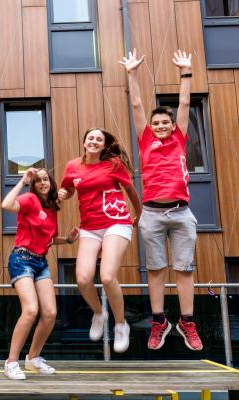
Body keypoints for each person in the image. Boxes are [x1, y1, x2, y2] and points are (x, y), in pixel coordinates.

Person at [121, 49, 202, 351]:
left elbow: (183, 103)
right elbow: (136, 104)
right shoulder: (145, 139)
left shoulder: (179, 137)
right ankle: (159, 321)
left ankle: (187, 321)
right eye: (156, 123)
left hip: (181, 213)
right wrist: (132, 73)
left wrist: (186, 72)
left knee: (184, 268)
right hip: (153, 214)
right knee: (156, 269)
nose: (160, 126)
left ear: (172, 126)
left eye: (164, 123)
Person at [58, 128, 142, 353]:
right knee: (83, 279)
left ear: (104, 146)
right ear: (84, 142)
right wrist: (63, 193)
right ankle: (98, 312)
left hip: (117, 222)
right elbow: (68, 188)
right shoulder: (73, 166)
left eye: (99, 139)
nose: (94, 141)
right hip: (90, 227)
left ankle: (121, 324)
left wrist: (140, 214)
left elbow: (131, 190)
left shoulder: (113, 165)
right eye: (90, 138)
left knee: (106, 276)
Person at [1, 168, 78, 380]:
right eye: (38, 180)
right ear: (33, 185)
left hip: (41, 262)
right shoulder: (29, 199)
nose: (42, 182)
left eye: (46, 179)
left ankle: (33, 358)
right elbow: (6, 205)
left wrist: (69, 240)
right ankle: (11, 362)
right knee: (31, 310)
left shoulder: (52, 208)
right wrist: (22, 182)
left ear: (51, 183)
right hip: (22, 259)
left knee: (50, 313)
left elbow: (50, 239)